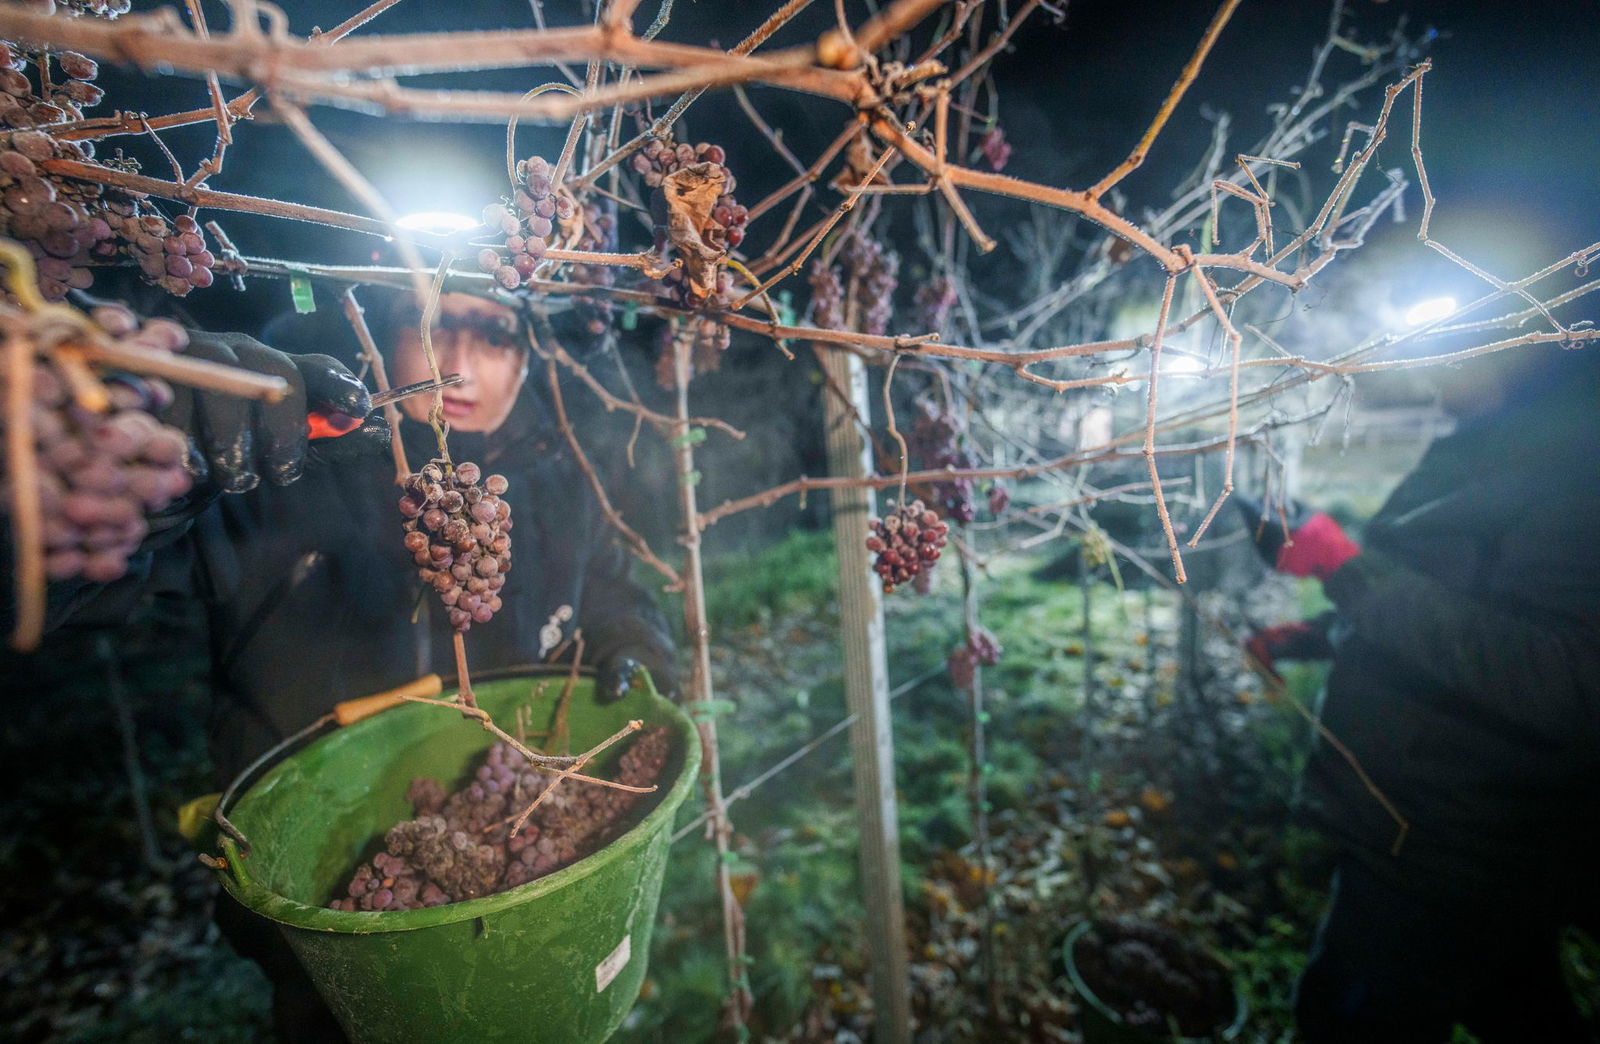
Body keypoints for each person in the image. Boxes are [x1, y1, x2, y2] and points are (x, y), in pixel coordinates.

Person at [23, 287, 678, 1039]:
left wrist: (636, 644)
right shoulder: (279, 476)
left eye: (491, 336)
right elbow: (66, 584)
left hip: (538, 923)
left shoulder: (559, 479)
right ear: (378, 338)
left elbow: (613, 594)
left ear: (528, 360)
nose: (455, 364)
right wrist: (155, 471)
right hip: (330, 949)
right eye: (427, 326)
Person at [1241, 342, 1600, 1042]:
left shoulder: (1579, 473)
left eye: (1460, 347)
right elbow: (1451, 595)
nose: (1434, 365)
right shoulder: (1490, 447)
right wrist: (1320, 632)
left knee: (1348, 1017)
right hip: (1445, 831)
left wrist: (1343, 569)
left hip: (1454, 847)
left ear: (1523, 348)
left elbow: (1565, 680)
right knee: (1512, 997)